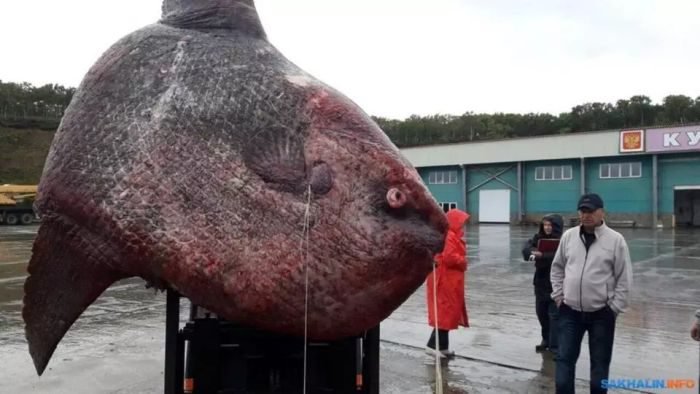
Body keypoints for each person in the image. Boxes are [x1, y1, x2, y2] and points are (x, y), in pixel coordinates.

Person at [550, 193, 633, 394]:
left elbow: (624, 278)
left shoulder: (615, 240)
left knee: (600, 368)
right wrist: (559, 296)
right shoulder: (569, 237)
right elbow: (557, 267)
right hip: (570, 312)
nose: (586, 215)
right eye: (583, 211)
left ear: (601, 212)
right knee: (563, 365)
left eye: (591, 211)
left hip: (601, 314)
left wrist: (613, 308)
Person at [426, 208, 470, 358]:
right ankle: (433, 346)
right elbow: (450, 257)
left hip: (451, 281)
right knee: (444, 314)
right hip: (445, 281)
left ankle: (443, 346)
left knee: (448, 314)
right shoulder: (449, 236)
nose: (463, 226)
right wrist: (463, 261)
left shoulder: (452, 236)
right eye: (461, 223)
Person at [522, 214, 564, 355]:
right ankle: (545, 340)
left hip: (556, 284)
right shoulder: (537, 238)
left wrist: (543, 256)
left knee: (554, 317)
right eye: (545, 224)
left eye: (550, 225)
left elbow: (560, 258)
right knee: (541, 314)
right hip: (540, 283)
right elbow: (527, 252)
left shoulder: (564, 241)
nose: (547, 227)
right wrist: (534, 254)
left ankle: (554, 346)